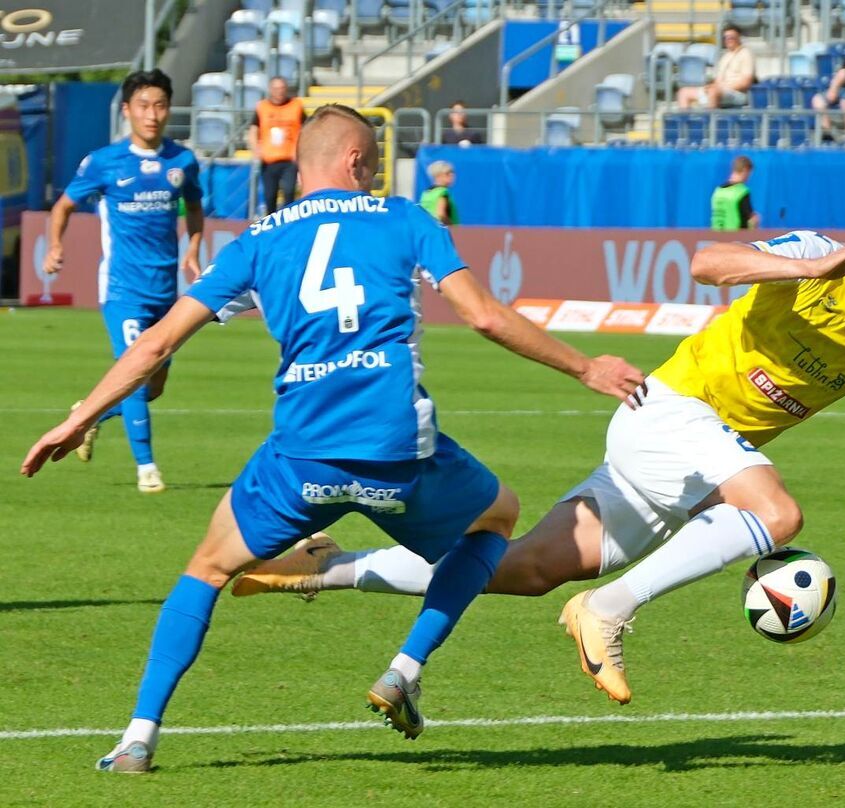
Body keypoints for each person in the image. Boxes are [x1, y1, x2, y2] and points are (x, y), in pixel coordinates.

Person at [235, 215, 845, 707]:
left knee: (514, 568)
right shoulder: (820, 257)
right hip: (666, 411)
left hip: (689, 465)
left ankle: (325, 568)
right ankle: (607, 609)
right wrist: (802, 269)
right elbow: (705, 263)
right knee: (780, 515)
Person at [20, 104, 644, 772]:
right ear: (354, 160)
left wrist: (81, 414)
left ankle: (137, 738)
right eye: (373, 161)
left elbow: (157, 344)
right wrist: (586, 366)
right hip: (396, 453)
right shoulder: (402, 217)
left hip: (301, 457)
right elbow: (484, 318)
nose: (376, 172)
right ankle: (405, 668)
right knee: (499, 514)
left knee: (206, 567)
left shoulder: (258, 240)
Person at [41, 69, 203, 495]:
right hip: (122, 289)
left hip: (165, 291)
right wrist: (55, 247)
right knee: (136, 369)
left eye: (161, 105)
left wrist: (192, 249)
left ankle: (89, 415)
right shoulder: (104, 162)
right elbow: (62, 207)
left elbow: (195, 206)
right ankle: (147, 469)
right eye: (144, 106)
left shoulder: (182, 161)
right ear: (128, 110)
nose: (153, 115)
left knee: (153, 386)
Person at [248, 76, 306, 215]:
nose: (279, 92)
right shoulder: (262, 107)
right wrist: (255, 148)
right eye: (276, 89)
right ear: (270, 90)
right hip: (269, 160)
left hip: (290, 159)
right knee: (270, 195)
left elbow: (306, 127)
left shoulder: (296, 106)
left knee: (289, 191)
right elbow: (253, 129)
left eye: (282, 88)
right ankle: (272, 221)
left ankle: (288, 221)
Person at [676, 26, 755, 110]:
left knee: (713, 91)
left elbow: (746, 82)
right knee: (683, 92)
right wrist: (710, 86)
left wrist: (723, 87)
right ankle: (686, 122)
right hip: (720, 91)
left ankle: (710, 121)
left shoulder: (746, 54)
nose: (728, 40)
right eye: (726, 38)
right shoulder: (725, 56)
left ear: (739, 38)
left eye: (732, 37)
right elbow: (718, 81)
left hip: (737, 93)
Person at [710, 155, 759, 231]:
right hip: (736, 238)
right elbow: (751, 220)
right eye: (749, 173)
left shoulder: (718, 191)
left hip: (716, 237)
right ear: (745, 170)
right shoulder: (741, 191)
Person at [419, 160, 458, 225]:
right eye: (447, 173)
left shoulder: (426, 193)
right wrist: (453, 228)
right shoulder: (443, 192)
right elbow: (441, 214)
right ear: (438, 176)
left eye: (452, 173)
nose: (452, 176)